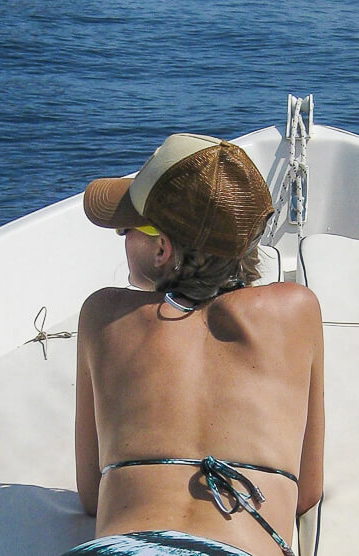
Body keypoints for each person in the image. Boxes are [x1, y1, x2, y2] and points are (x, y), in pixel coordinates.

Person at [65, 133, 324, 556]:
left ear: (162, 248)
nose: (121, 237)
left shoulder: (103, 315)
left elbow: (93, 497)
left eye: (126, 228)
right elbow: (307, 492)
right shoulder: (296, 311)